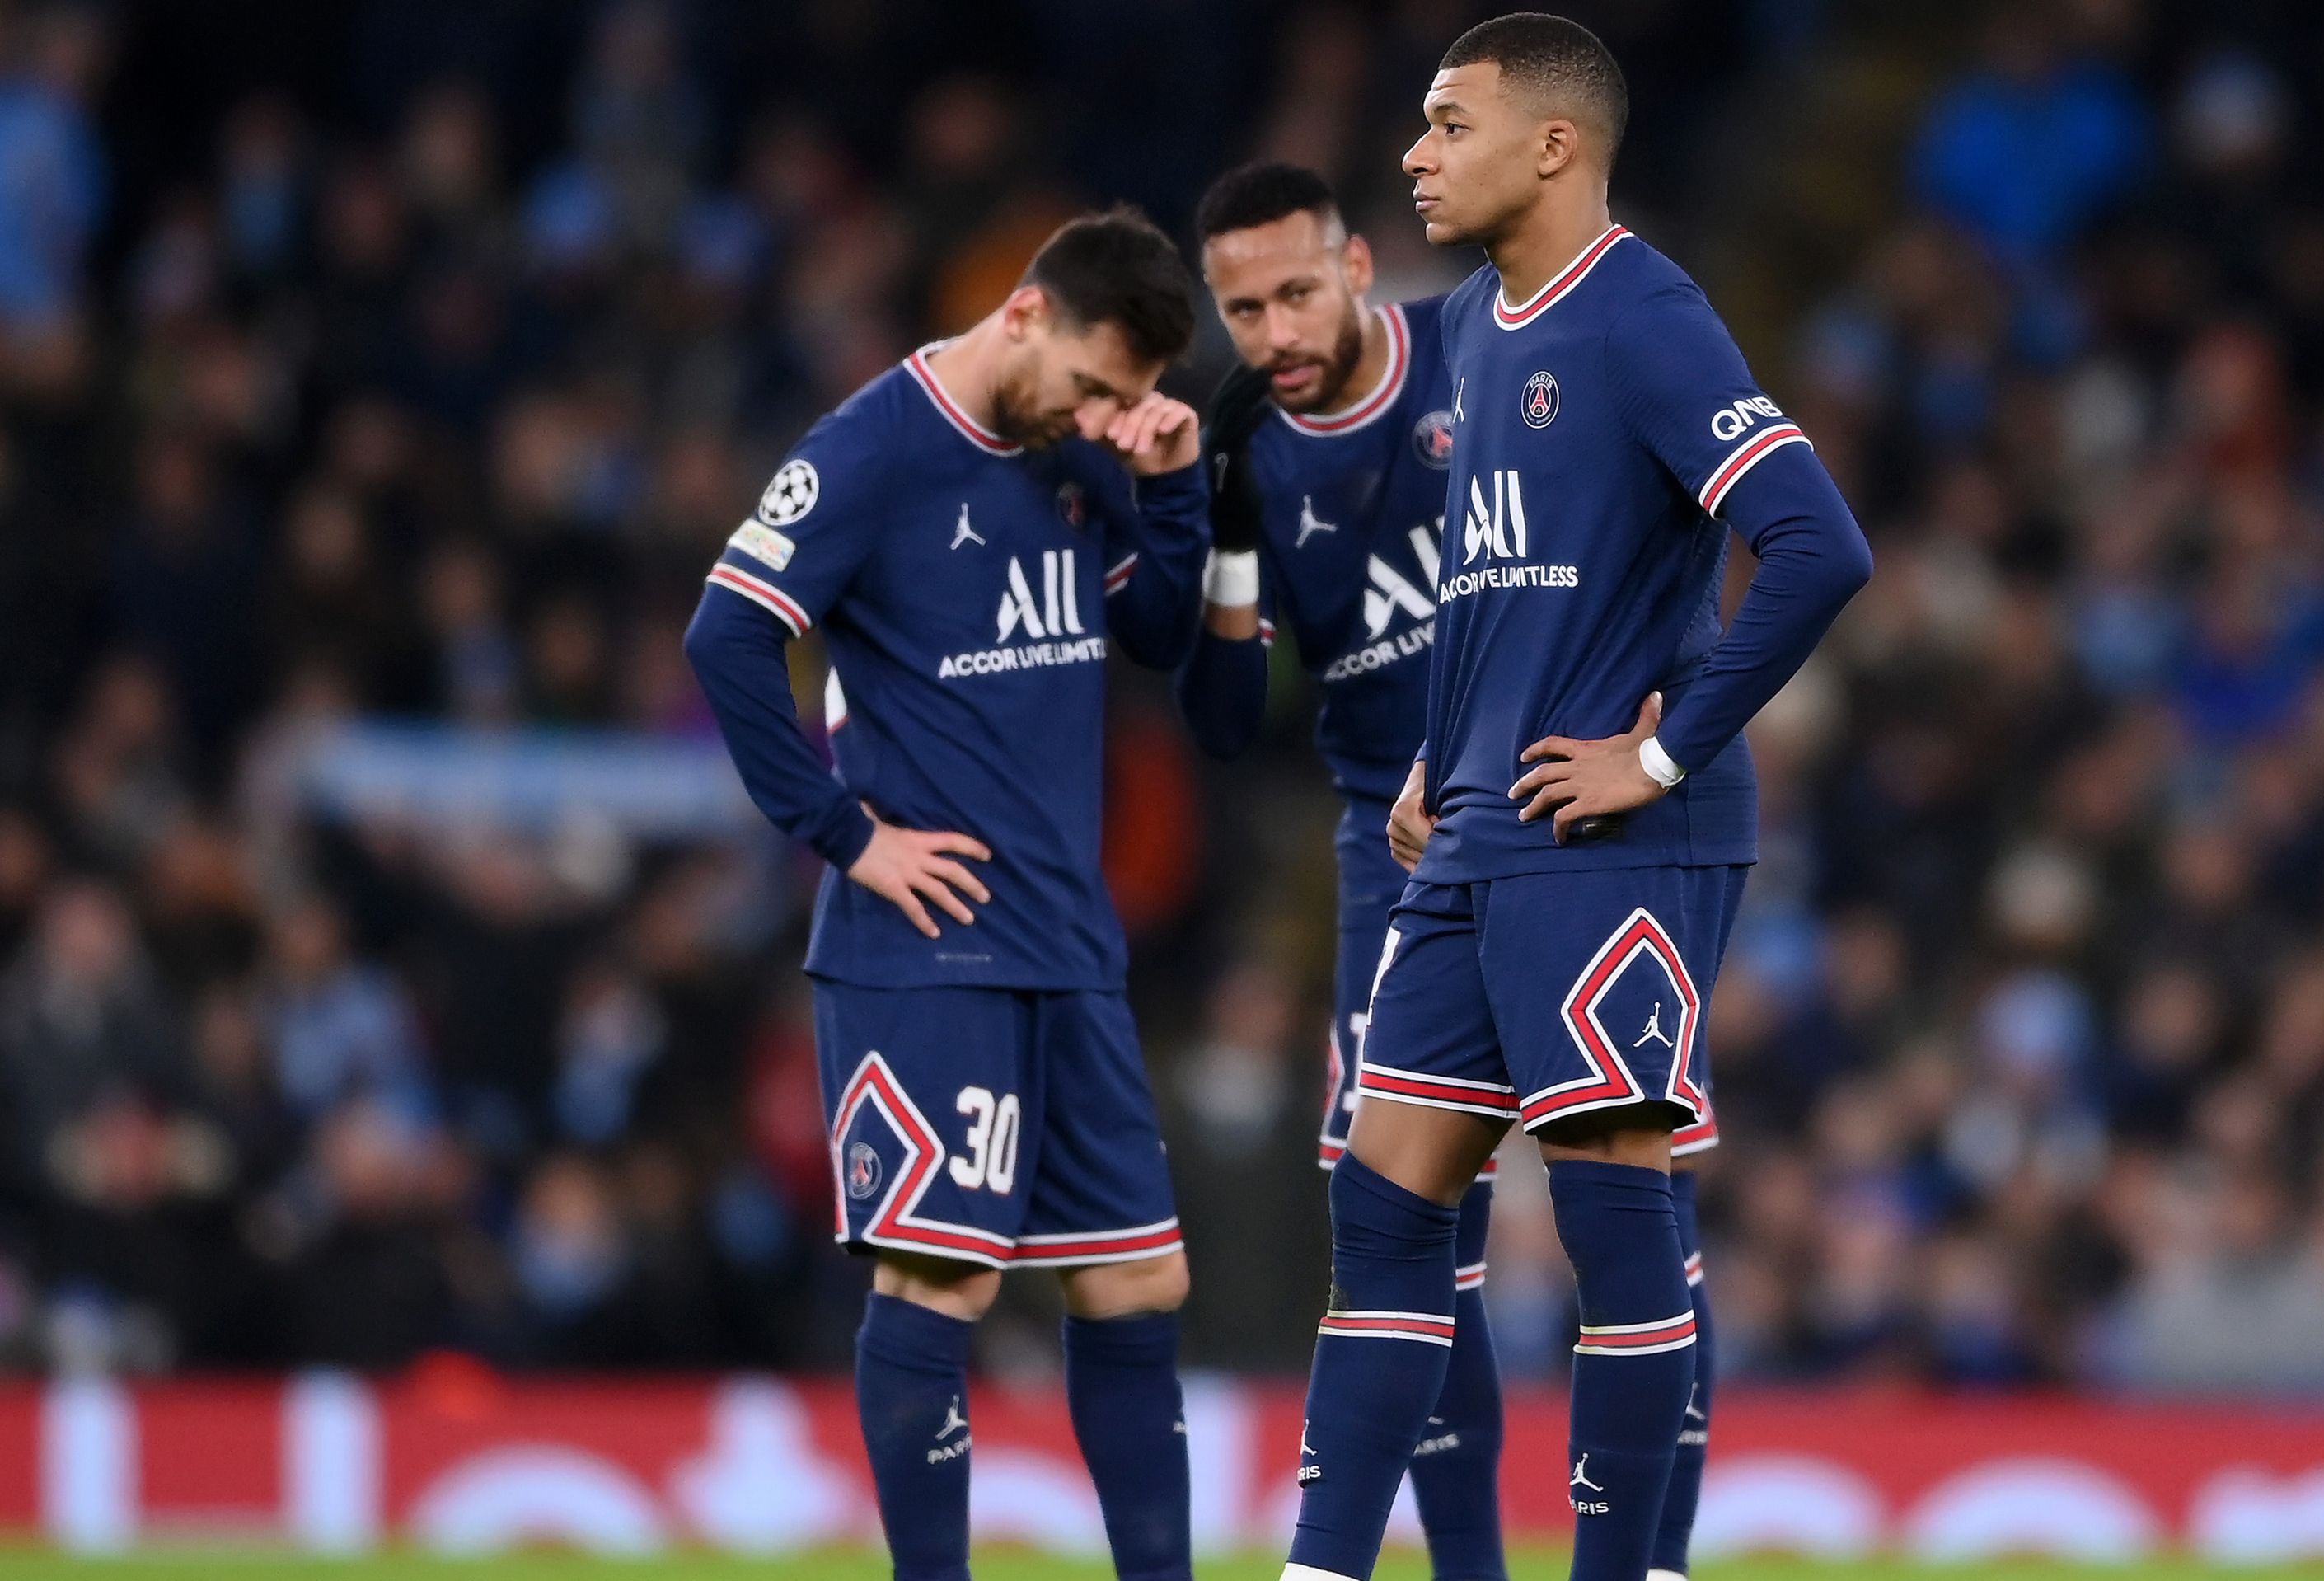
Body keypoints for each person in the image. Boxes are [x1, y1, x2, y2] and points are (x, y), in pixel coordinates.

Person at [1281, 16, 1871, 1581]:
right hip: (1481, 820)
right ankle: (1322, 1568)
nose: (1416, 153)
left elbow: (1819, 544)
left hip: (1614, 833)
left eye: (1448, 123)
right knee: (1386, 1195)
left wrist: (1661, 755)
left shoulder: (1648, 317)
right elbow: (1507, 579)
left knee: (1618, 1210)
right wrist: (1437, 751)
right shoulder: (1475, 325)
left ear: (1553, 144)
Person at [683, 207, 1209, 1581]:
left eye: (1128, 399)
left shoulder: (1080, 455)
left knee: (1140, 1279)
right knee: (943, 1280)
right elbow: (727, 632)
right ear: (1027, 315)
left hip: (1066, 940)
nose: (1102, 414)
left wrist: (1172, 482)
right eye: (1096, 386)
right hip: (925, 947)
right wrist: (844, 834)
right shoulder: (875, 445)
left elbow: (1153, 634)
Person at [1175, 158, 1504, 1580]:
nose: (1275, 332)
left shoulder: (1485, 349)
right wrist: (1228, 529)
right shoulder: (1235, 449)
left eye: (1296, 290)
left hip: (1557, 819)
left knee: (1628, 1197)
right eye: (1242, 309)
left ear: (1360, 266)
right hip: (1390, 854)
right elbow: (1228, 725)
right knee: (1414, 1233)